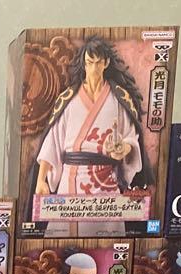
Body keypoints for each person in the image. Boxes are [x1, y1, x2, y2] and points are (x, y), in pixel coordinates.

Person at [34, 36, 151, 201]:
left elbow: (131, 137)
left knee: (107, 218)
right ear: (84, 63)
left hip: (107, 179)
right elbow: (52, 141)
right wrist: (41, 180)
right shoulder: (69, 98)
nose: (94, 68)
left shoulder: (119, 98)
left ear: (106, 63)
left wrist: (123, 149)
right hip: (71, 179)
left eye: (98, 63)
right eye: (90, 62)